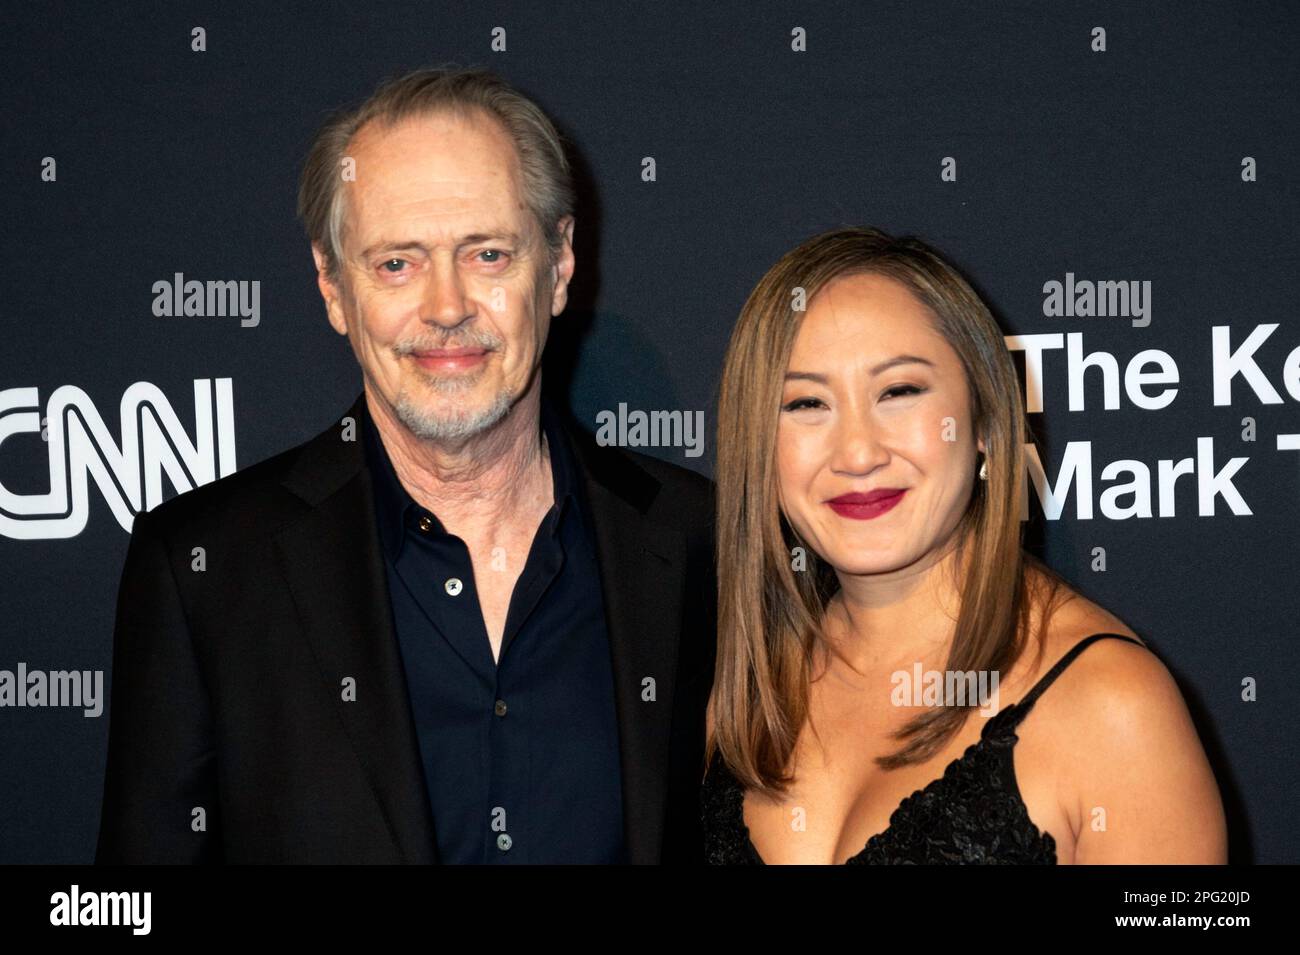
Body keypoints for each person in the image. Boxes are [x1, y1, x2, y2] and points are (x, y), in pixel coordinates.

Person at [95, 67, 716, 864]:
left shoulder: (698, 543)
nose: (446, 305)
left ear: (558, 265)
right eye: (397, 263)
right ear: (331, 286)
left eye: (487, 253)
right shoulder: (205, 571)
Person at [701, 227, 1226, 864]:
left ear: (984, 422)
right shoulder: (749, 693)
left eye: (899, 392)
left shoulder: (1113, 706)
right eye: (807, 403)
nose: (858, 453)